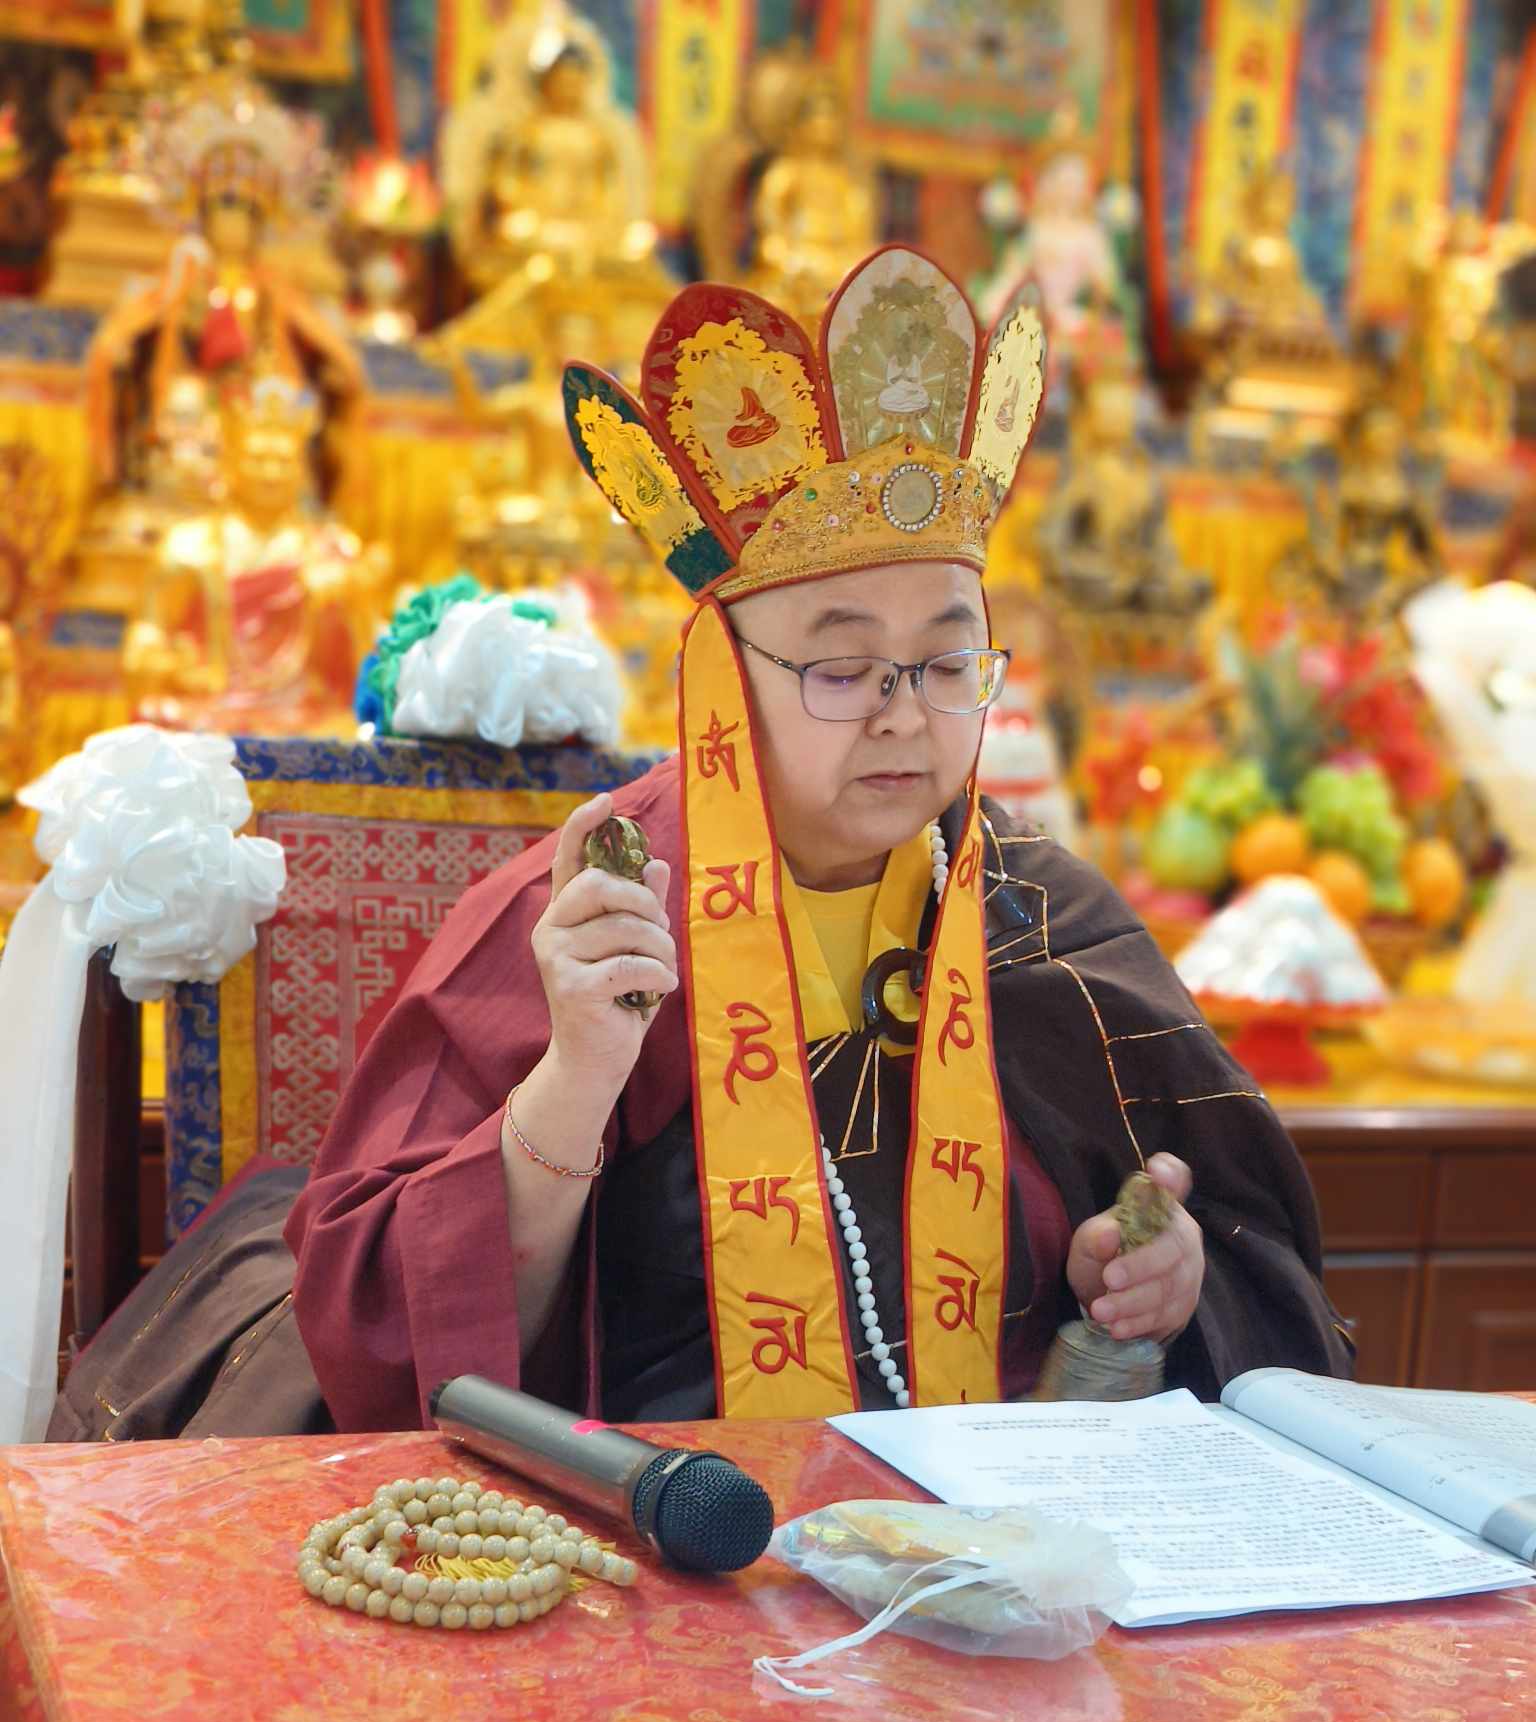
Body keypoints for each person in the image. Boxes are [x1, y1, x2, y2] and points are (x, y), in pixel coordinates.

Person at [285, 247, 1351, 1432]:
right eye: (844, 669)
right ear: (725, 678)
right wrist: (575, 1079)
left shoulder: (1042, 913)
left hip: (993, 1507)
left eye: (948, 661)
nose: (905, 713)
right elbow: (395, 1336)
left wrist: (1162, 1281)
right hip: (678, 1504)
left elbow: (1246, 1265)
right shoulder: (590, 918)